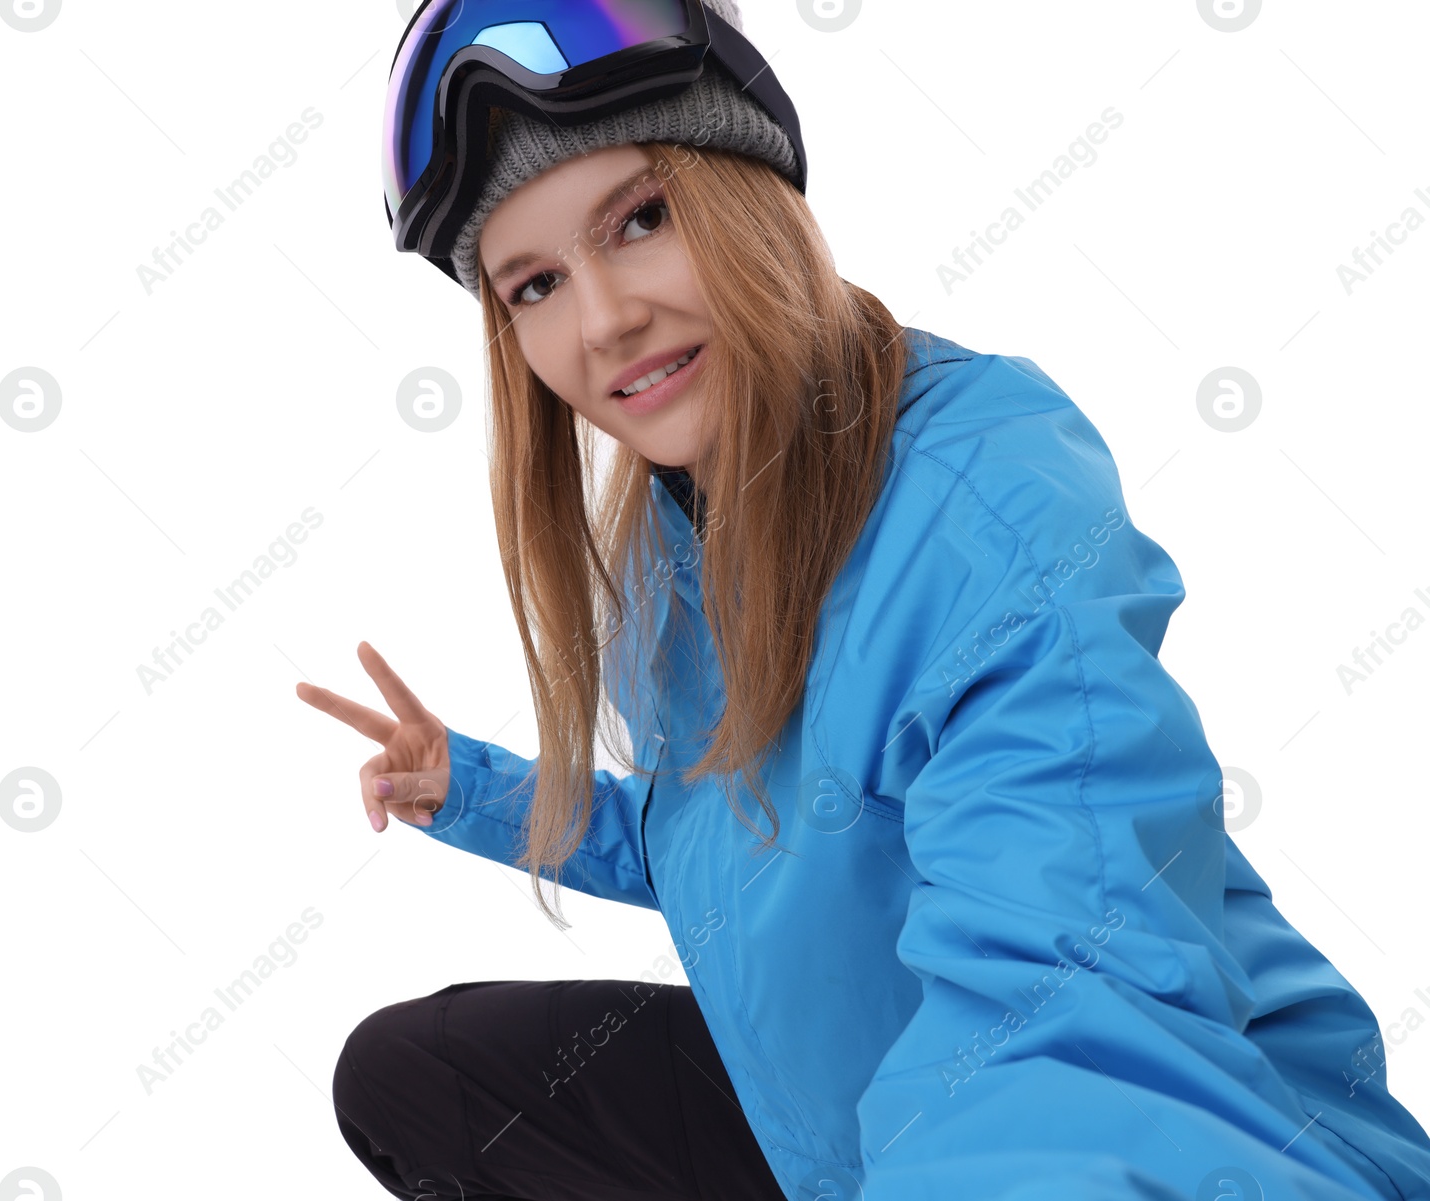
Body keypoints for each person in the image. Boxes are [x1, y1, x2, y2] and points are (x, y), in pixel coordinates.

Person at [297, 2, 1430, 1198]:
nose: (603, 320)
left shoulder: (982, 498)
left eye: (640, 217)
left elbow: (1066, 988)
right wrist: (473, 788)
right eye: (532, 285)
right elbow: (717, 840)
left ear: (746, 192)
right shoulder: (672, 544)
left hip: (1134, 1143)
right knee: (419, 1077)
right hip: (842, 1135)